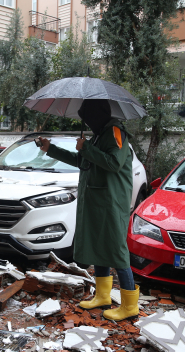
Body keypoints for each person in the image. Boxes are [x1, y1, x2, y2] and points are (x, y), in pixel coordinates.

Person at [37, 99, 138, 321]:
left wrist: (88, 148)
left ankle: (130, 305)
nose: (86, 123)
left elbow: (113, 163)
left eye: (87, 118)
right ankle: (103, 296)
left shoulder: (115, 132)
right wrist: (50, 149)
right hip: (97, 200)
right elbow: (82, 160)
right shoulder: (100, 134)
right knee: (99, 246)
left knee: (117, 250)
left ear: (97, 115)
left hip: (111, 201)